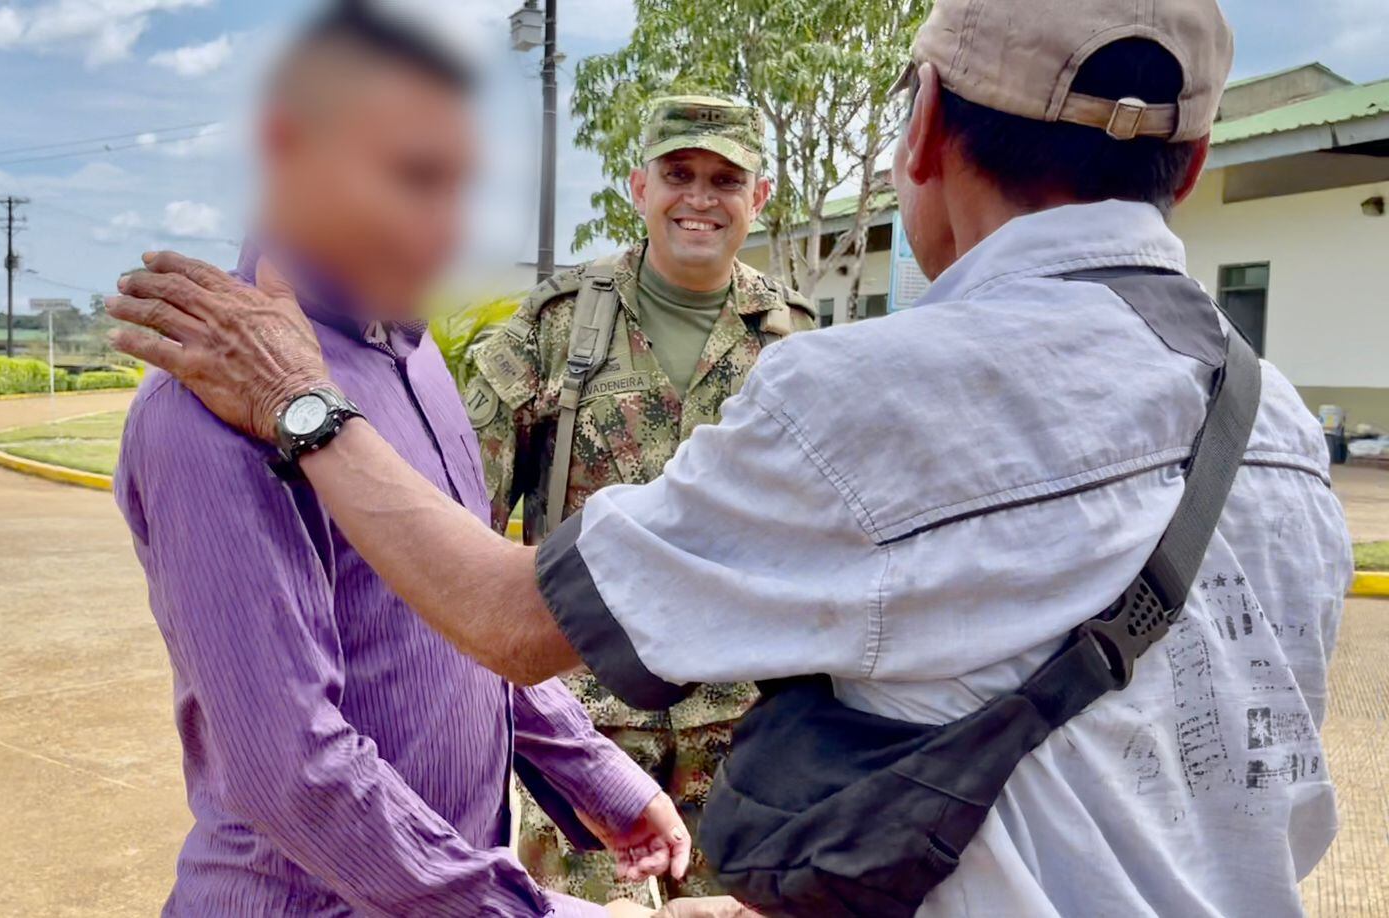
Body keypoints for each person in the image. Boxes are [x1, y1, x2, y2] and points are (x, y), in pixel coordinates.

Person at [109, 0, 1355, 913]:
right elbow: (299, 748)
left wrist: (305, 411)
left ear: (918, 133)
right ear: (1187, 170)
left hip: (685, 777)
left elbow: (492, 606)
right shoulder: (1284, 429)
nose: (440, 220)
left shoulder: (852, 378)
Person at [110, 5, 689, 915]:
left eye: (459, 185)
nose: (447, 228)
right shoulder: (210, 399)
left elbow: (466, 623)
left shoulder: (415, 357)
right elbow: (292, 770)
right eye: (412, 178)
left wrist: (605, 780)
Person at [464, 95, 813, 905]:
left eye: (725, 179)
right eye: (678, 173)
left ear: (758, 198)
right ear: (638, 187)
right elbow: (463, 511)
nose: (700, 197)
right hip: (585, 735)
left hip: (741, 737)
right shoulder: (556, 329)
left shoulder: (791, 340)